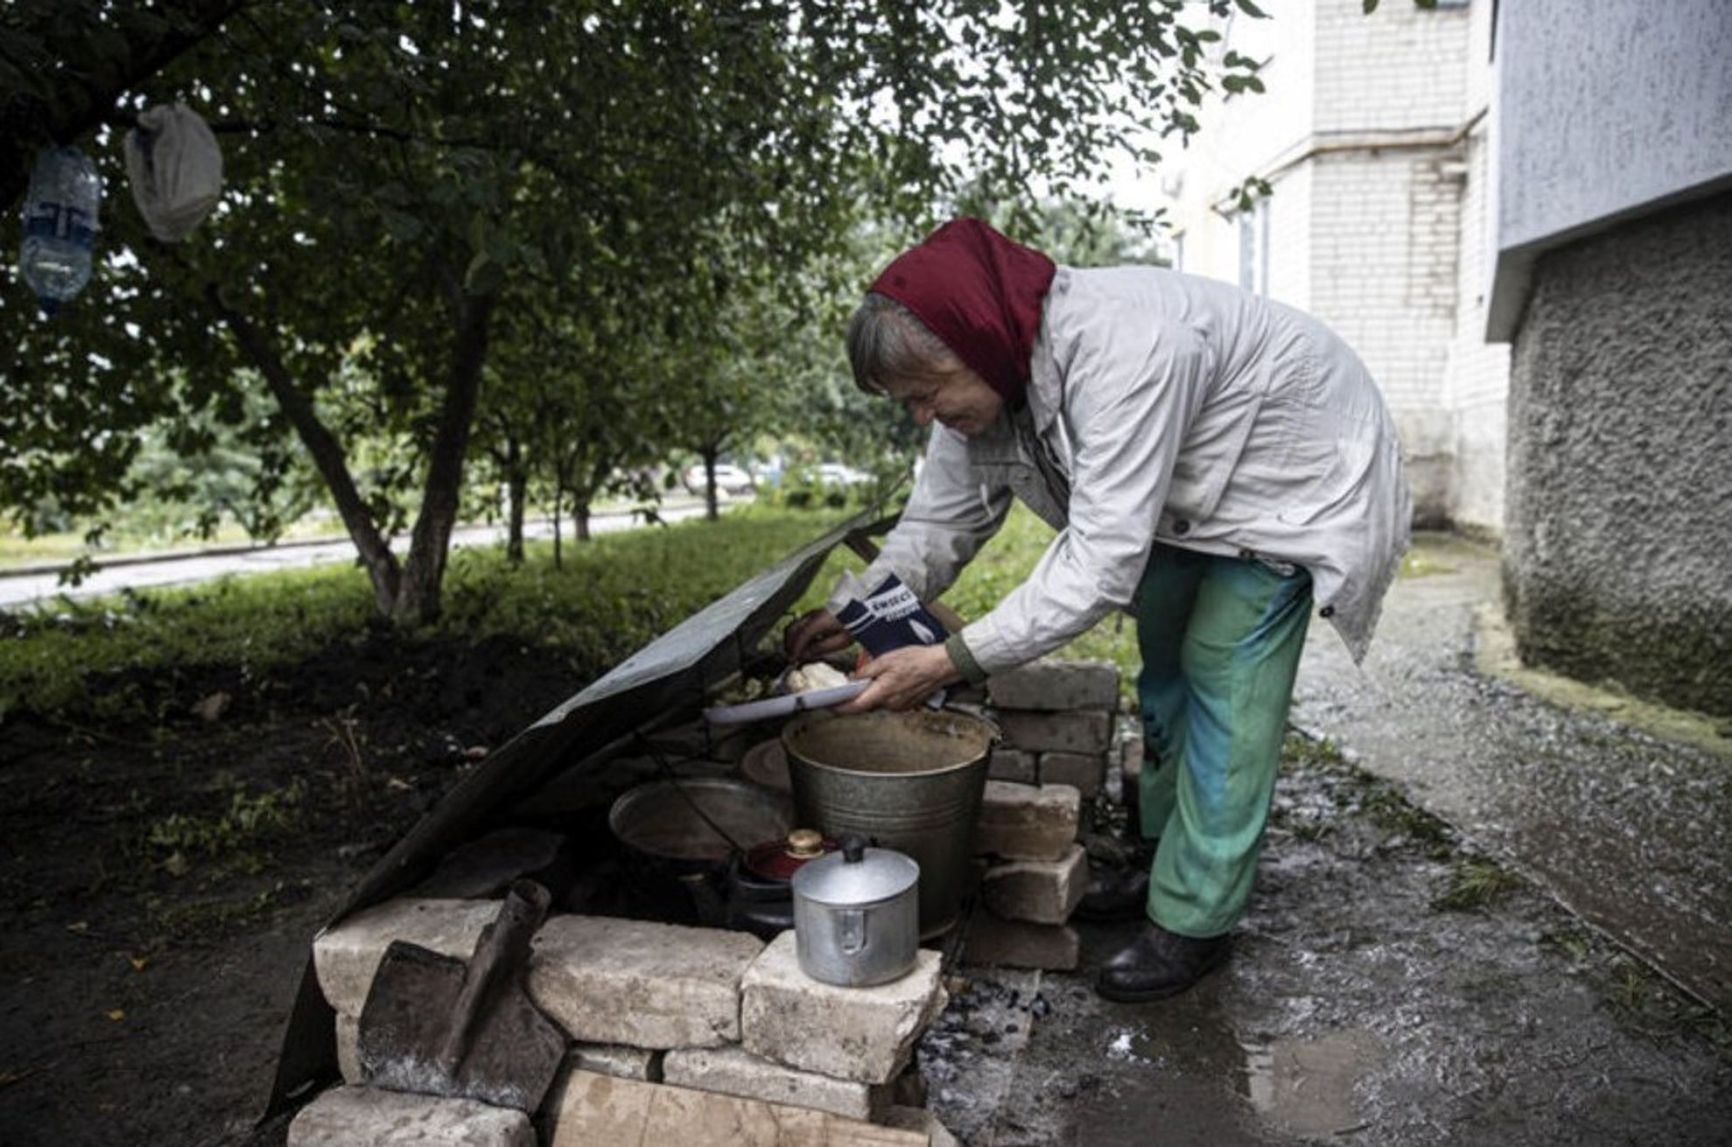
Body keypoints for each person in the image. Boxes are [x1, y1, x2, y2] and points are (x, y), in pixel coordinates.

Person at [785, 217, 1410, 1001]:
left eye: (924, 393)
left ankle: (1195, 919)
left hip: (1292, 480)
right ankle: (1160, 859)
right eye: (907, 401)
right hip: (1191, 500)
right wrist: (861, 609)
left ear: (973, 342)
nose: (921, 415)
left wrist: (950, 659)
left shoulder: (1127, 347)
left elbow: (1103, 559)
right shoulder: (987, 373)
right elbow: (941, 521)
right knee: (1166, 675)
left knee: (1223, 680)